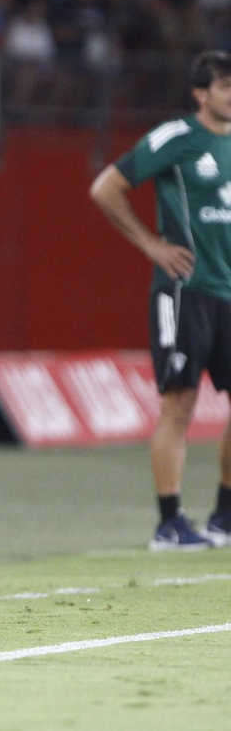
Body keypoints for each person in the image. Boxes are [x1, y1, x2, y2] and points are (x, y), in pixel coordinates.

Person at [90, 50, 231, 551]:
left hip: (229, 293)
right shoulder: (177, 138)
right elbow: (106, 186)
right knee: (180, 403)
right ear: (201, 93)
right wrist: (151, 244)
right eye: (224, 85)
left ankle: (224, 517)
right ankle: (169, 523)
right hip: (186, 291)